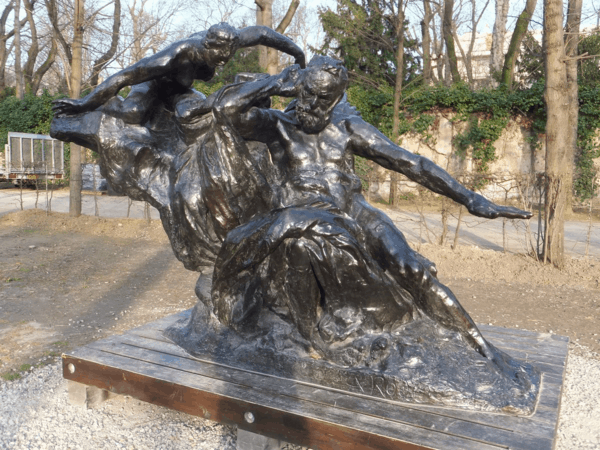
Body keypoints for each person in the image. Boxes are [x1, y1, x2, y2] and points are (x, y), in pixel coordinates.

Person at [208, 56, 533, 367]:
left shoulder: (348, 127)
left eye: (322, 98)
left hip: (354, 212)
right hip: (305, 220)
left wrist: (469, 198)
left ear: (336, 99)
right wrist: (277, 82)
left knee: (411, 267)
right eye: (307, 94)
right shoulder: (277, 126)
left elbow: (411, 162)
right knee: (299, 249)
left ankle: (483, 349)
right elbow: (225, 109)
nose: (310, 106)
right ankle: (308, 339)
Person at [51, 23, 306, 124]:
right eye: (218, 57)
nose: (223, 61)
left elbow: (265, 33)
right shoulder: (176, 55)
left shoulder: (232, 39)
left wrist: (298, 54)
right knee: (133, 113)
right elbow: (124, 77)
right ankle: (106, 105)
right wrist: (83, 104)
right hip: (151, 86)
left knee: (193, 114)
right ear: (206, 46)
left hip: (180, 91)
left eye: (228, 56)